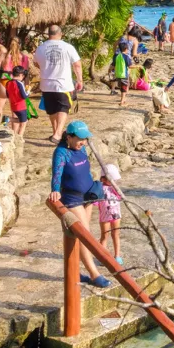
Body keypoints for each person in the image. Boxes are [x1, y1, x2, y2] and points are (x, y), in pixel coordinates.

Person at [48, 121, 111, 288]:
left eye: (85, 139)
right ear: (69, 137)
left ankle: (74, 270)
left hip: (88, 196)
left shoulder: (81, 149)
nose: (83, 142)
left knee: (78, 235)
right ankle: (94, 274)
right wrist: (55, 190)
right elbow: (57, 173)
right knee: (85, 235)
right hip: (72, 198)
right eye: (80, 139)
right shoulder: (61, 152)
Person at [34, 25, 83, 144]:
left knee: (52, 109)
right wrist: (79, 80)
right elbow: (77, 64)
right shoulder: (67, 47)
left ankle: (56, 133)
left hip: (46, 84)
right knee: (63, 108)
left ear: (48, 34)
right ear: (60, 34)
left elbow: (36, 63)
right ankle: (58, 133)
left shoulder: (41, 48)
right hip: (63, 83)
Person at [97, 163, 124, 265]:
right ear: (103, 179)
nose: (113, 181)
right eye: (111, 179)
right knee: (104, 236)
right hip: (104, 217)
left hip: (116, 215)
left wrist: (116, 189)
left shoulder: (115, 188)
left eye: (115, 180)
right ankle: (103, 257)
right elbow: (95, 201)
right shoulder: (99, 188)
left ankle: (117, 256)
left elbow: (121, 197)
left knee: (116, 234)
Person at [5, 66, 30, 137]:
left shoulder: (8, 83)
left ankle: (8, 119)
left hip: (13, 105)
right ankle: (20, 137)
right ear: (21, 75)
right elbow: (24, 96)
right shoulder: (19, 83)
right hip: (21, 106)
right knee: (23, 123)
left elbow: (7, 95)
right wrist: (28, 92)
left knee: (22, 120)